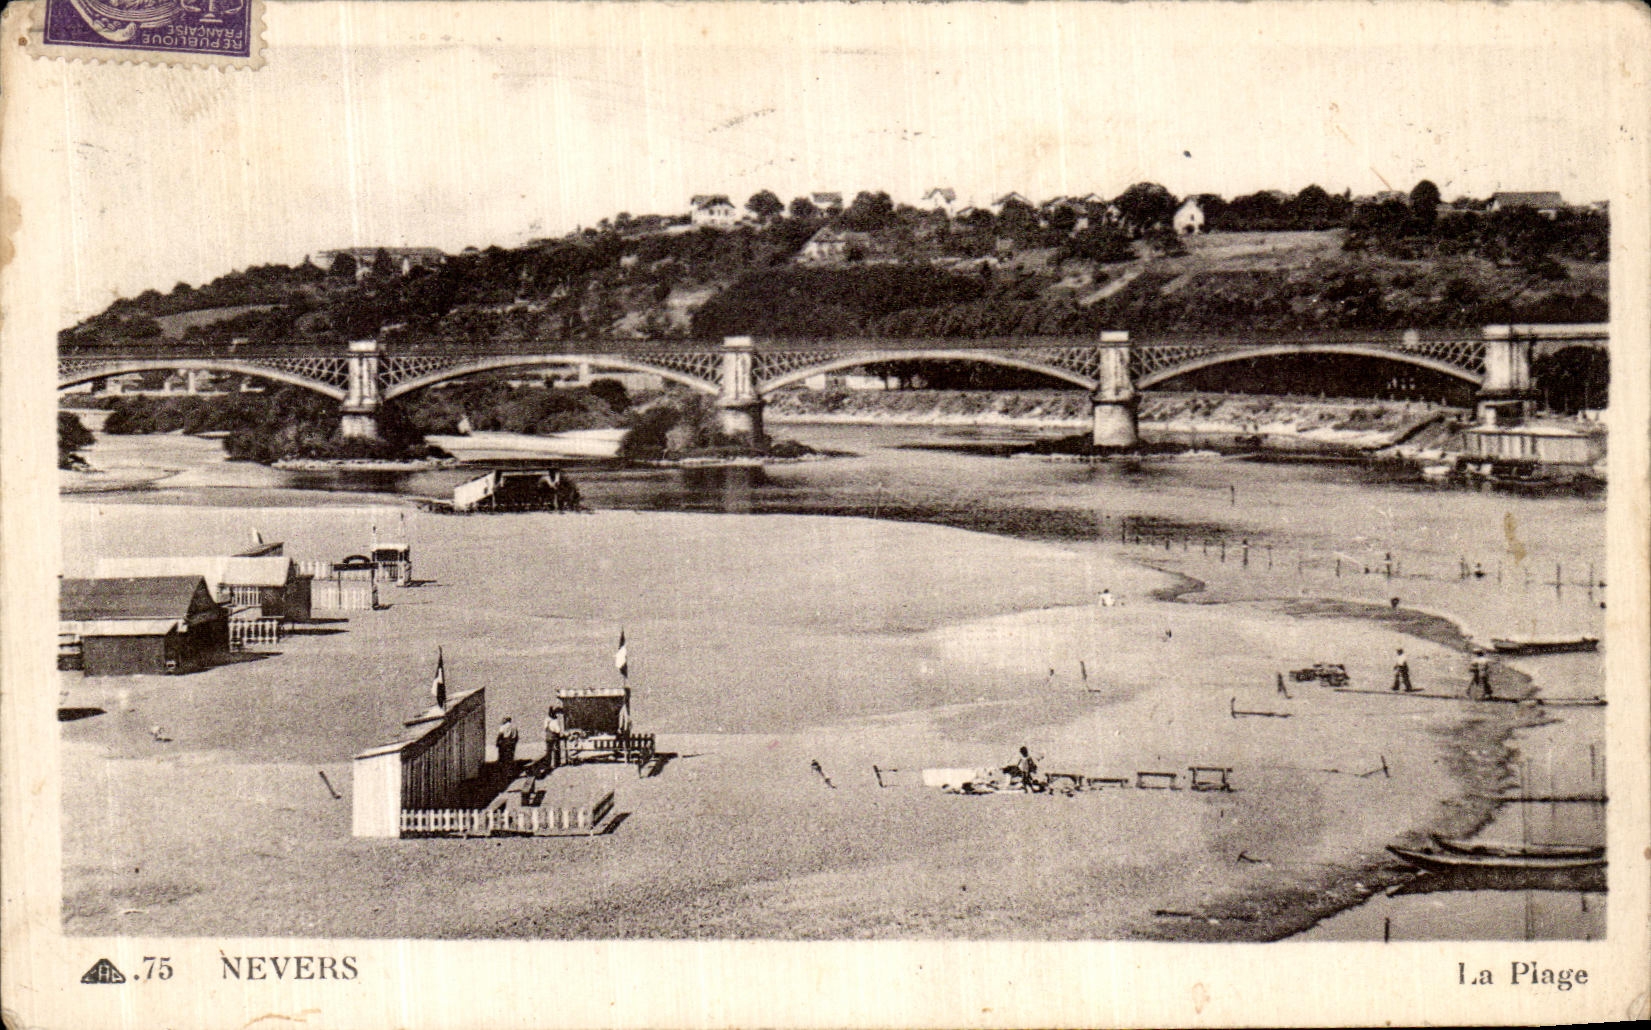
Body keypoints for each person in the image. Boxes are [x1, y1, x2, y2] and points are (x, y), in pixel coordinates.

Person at [542, 705, 564, 772]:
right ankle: (557, 763)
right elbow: (557, 730)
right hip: (554, 737)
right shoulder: (554, 721)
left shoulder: (546, 720)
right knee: (556, 750)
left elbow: (545, 728)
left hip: (548, 737)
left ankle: (548, 765)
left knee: (548, 752)